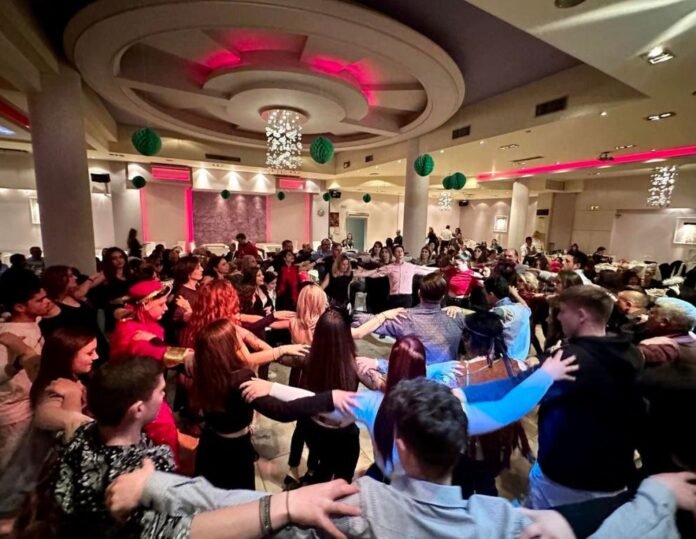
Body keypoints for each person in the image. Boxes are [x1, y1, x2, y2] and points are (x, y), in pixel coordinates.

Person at [104, 380, 695, 539]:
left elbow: (232, 501)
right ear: (461, 444)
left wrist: (155, 485)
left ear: (402, 447)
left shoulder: (353, 506)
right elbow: (612, 530)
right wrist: (656, 495)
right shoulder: (502, 522)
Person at [192, 319, 350, 490]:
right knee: (241, 497)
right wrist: (327, 400)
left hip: (209, 444)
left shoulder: (202, 367)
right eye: (236, 337)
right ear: (229, 347)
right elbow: (282, 411)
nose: (241, 338)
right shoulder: (240, 379)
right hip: (233, 452)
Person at [528, 285, 645, 509]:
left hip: (567, 476)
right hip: (613, 469)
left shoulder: (569, 360)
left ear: (581, 315)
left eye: (562, 311)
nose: (558, 317)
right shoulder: (631, 352)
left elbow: (530, 394)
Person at [110, 280, 192, 458]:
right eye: (161, 304)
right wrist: (191, 357)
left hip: (147, 388)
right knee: (163, 432)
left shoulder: (146, 325)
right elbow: (158, 353)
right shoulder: (133, 333)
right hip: (137, 396)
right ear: (145, 305)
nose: (166, 308)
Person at [353, 272, 467, 364]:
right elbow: (476, 319)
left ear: (419, 293)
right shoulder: (457, 317)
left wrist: (382, 315)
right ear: (443, 296)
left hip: (414, 378)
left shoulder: (404, 317)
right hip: (449, 378)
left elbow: (365, 320)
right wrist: (459, 309)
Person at [0, 275, 51, 473]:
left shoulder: (33, 321)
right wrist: (16, 365)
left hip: (31, 403)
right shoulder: (7, 335)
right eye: (39, 300)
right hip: (13, 410)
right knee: (12, 465)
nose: (47, 302)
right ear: (20, 307)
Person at [40, 265, 109, 362]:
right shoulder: (52, 306)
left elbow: (89, 285)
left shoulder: (73, 296)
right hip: (80, 354)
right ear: (60, 280)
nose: (75, 277)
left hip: (98, 346)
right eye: (70, 276)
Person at [358, 245, 436, 308]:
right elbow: (374, 274)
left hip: (407, 297)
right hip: (394, 297)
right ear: (394, 254)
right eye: (397, 251)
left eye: (401, 251)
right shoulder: (389, 267)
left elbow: (425, 270)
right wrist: (359, 274)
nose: (400, 253)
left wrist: (440, 270)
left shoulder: (411, 266)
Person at [483, 276, 531, 363]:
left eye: (485, 293)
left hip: (506, 362)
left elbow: (487, 316)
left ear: (491, 294)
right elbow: (526, 306)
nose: (484, 296)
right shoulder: (522, 309)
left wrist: (460, 311)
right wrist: (515, 294)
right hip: (522, 358)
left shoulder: (500, 311)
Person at [88, 247, 133, 332]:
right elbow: (89, 288)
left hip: (130, 308)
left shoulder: (130, 274)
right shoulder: (105, 275)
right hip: (112, 311)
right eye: (114, 258)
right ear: (109, 261)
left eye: (121, 257)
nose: (119, 260)